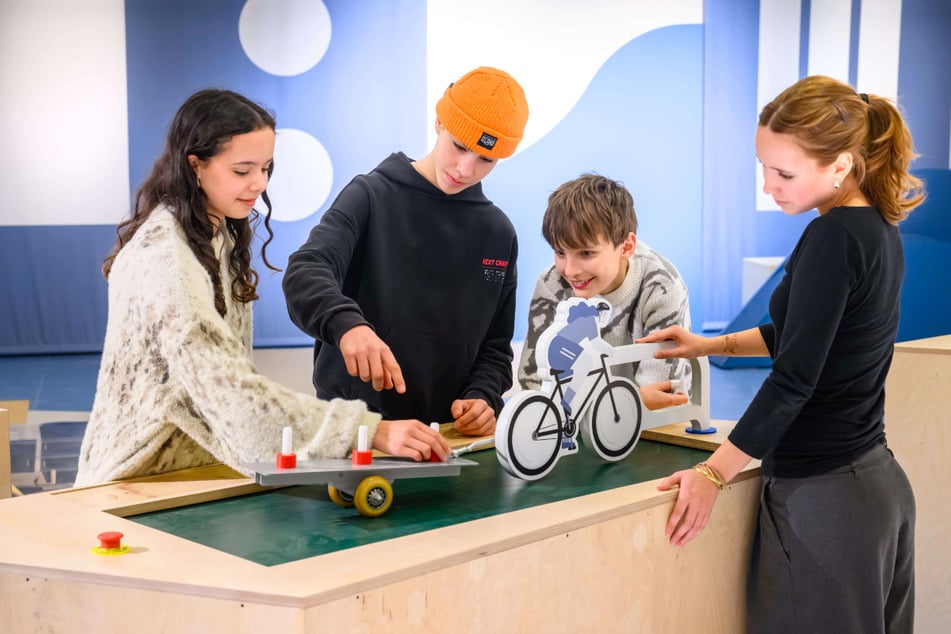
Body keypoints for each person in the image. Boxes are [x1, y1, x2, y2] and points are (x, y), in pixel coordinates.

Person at [639, 75, 923, 633]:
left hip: (829, 503)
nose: (769, 187)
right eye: (764, 168)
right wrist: (709, 344)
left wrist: (713, 474)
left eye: (784, 173)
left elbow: (794, 379)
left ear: (840, 166)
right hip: (876, 488)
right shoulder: (874, 230)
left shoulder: (833, 238)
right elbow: (801, 333)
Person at [75, 89, 449, 487]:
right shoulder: (164, 259)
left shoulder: (218, 232)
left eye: (266, 168)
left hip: (191, 474)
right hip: (129, 485)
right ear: (195, 165)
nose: (258, 184)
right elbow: (231, 397)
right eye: (242, 170)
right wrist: (369, 430)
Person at [283, 66, 529, 438]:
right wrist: (347, 325)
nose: (465, 169)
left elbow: (494, 351)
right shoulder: (370, 196)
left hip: (446, 442)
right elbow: (305, 270)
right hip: (357, 435)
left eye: (485, 159)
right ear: (438, 123)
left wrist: (483, 397)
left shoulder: (498, 234)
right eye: (460, 147)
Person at [517, 173, 692, 412]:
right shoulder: (551, 283)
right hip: (580, 425)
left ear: (626, 247)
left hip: (652, 429)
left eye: (586, 254)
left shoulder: (662, 287)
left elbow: (659, 394)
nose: (570, 270)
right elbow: (534, 381)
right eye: (560, 253)